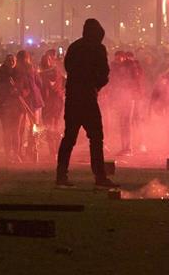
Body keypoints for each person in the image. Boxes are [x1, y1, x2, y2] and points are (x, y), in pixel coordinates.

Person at [55, 18, 118, 188]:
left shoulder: (75, 47)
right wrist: (95, 86)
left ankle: (61, 175)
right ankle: (99, 176)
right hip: (88, 98)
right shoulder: (98, 48)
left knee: (69, 138)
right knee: (96, 138)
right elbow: (104, 74)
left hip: (73, 98)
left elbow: (68, 67)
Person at [0, 54, 23, 163]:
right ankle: (7, 155)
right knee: (6, 131)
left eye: (13, 60)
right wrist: (6, 91)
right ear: (5, 61)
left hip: (17, 107)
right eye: (9, 60)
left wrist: (18, 91)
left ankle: (16, 154)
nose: (11, 62)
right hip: (4, 106)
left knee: (16, 131)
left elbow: (25, 88)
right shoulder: (0, 74)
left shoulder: (19, 73)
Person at [38, 49, 65, 157]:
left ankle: (55, 150)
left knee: (52, 126)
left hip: (53, 103)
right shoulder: (56, 72)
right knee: (53, 126)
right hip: (53, 102)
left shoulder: (45, 74)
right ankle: (55, 150)